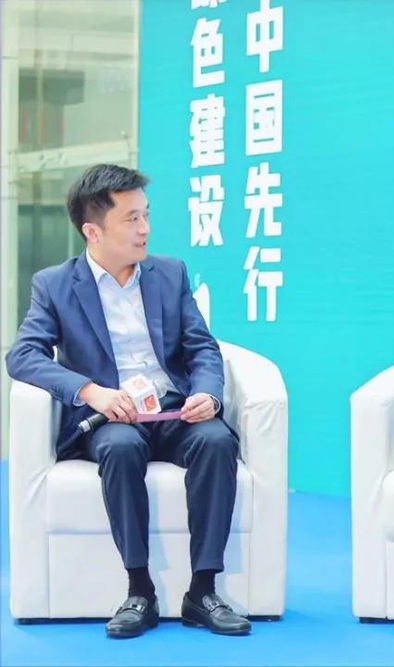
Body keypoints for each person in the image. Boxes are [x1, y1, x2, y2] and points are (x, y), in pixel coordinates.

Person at [5, 164, 251, 639]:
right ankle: (140, 591)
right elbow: (23, 355)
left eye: (146, 215)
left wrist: (206, 393)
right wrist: (89, 390)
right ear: (92, 231)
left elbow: (202, 347)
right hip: (111, 416)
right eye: (132, 219)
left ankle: (203, 591)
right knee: (120, 448)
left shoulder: (169, 273)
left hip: (173, 408)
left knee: (217, 440)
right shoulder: (55, 284)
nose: (145, 229)